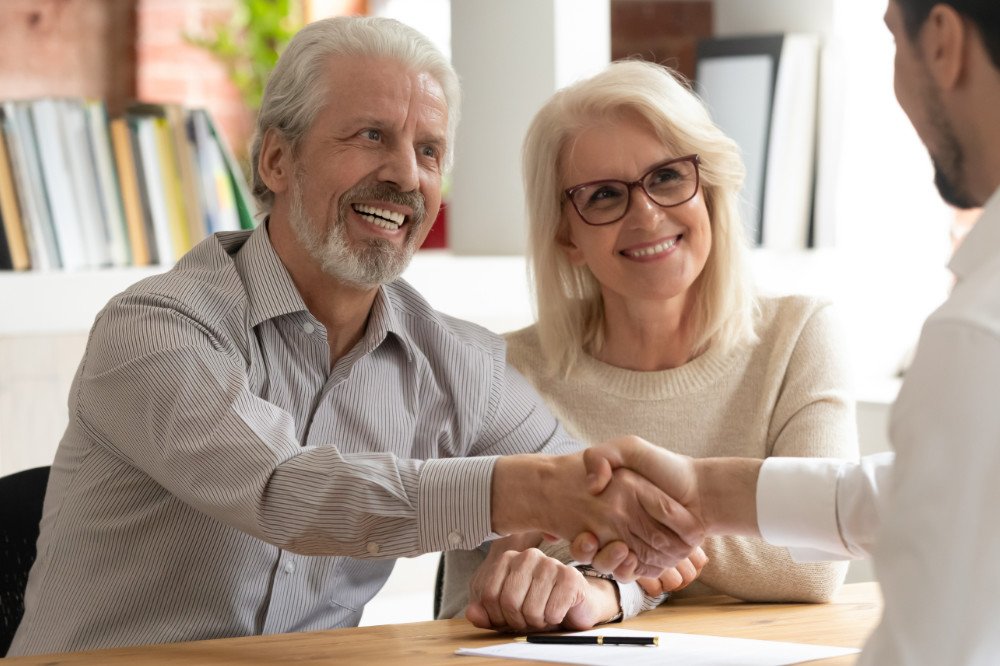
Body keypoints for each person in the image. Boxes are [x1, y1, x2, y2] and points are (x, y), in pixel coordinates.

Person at [7, 16, 702, 656]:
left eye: (428, 151)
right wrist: (531, 491)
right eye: (371, 135)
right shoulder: (154, 329)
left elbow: (622, 525)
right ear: (277, 161)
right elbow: (284, 489)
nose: (405, 175)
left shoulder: (461, 367)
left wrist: (601, 585)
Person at [576, 0, 1000, 663]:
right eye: (604, 194)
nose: (645, 214)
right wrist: (700, 491)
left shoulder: (977, 334)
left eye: (891, 37)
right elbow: (913, 493)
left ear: (943, 42)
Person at [438, 59, 857, 631]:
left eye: (666, 178)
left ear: (708, 188)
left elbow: (815, 559)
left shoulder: (799, 336)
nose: (647, 215)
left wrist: (611, 558)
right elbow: (469, 604)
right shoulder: (499, 373)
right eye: (605, 195)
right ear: (566, 234)